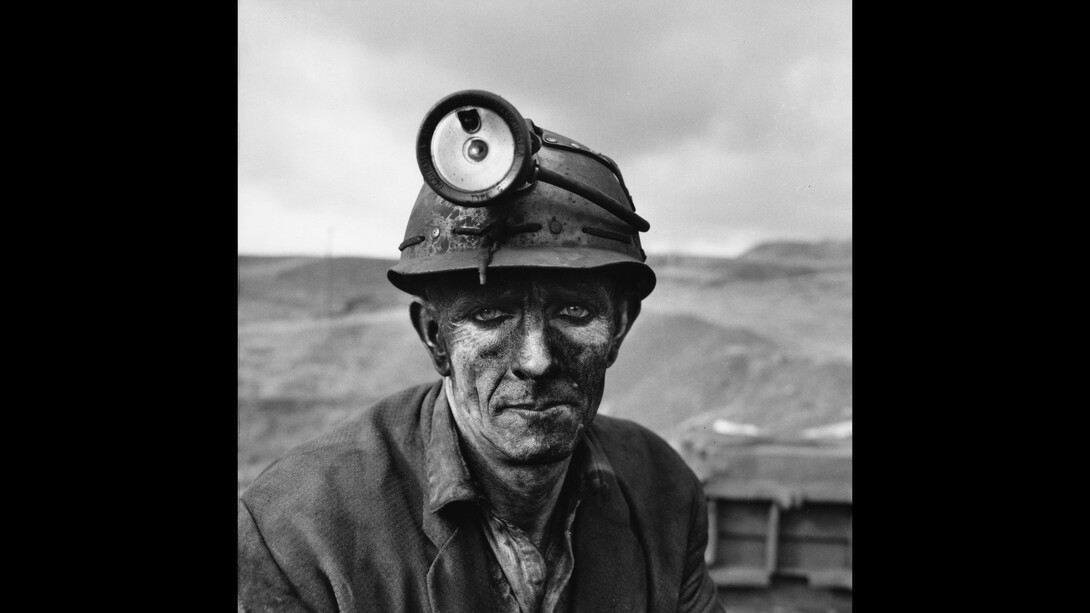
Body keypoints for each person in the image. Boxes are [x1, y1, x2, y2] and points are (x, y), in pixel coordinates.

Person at [238, 90, 724, 612]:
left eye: (574, 313)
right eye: (490, 316)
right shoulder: (299, 533)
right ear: (434, 337)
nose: (535, 360)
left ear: (620, 328)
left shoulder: (663, 493)